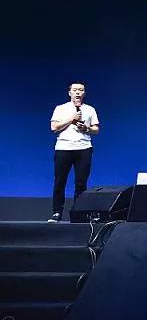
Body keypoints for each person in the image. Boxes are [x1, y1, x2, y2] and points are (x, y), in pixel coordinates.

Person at [48, 82, 100, 222]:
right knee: (60, 181)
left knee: (81, 183)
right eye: (75, 90)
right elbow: (54, 127)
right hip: (64, 148)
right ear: (69, 93)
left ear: (84, 93)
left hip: (84, 148)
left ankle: (78, 214)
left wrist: (86, 128)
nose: (78, 92)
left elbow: (96, 129)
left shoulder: (90, 109)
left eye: (81, 90)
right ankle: (57, 212)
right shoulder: (61, 108)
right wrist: (72, 119)